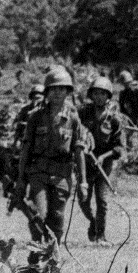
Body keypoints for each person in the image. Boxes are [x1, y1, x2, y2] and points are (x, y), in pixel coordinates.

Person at [16, 66, 88, 245]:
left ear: (68, 92)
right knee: (38, 214)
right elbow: (25, 150)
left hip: (62, 174)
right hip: (38, 172)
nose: (57, 93)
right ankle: (37, 250)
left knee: (57, 218)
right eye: (53, 89)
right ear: (47, 92)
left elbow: (78, 151)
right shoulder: (35, 117)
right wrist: (20, 178)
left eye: (62, 89)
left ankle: (52, 258)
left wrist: (83, 182)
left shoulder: (73, 118)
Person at [78, 77, 125, 244]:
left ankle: (101, 235)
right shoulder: (83, 113)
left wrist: (103, 156)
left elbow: (119, 148)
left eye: (102, 94)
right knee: (83, 200)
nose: (99, 97)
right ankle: (93, 222)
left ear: (108, 96)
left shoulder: (114, 119)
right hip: (86, 163)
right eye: (96, 93)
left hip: (105, 165)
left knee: (102, 201)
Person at [118, 70, 138, 149]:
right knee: (128, 136)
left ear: (130, 81)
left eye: (127, 83)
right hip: (130, 115)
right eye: (124, 84)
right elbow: (121, 108)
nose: (126, 85)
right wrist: (123, 119)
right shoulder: (123, 93)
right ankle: (130, 153)